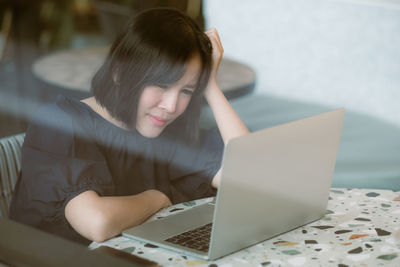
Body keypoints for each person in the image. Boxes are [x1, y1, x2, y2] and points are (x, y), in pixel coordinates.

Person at [9, 8, 249, 245]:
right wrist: (156, 199)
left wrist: (211, 87)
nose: (171, 105)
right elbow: (97, 223)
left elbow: (249, 177)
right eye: (162, 85)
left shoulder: (167, 130)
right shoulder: (60, 122)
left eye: (186, 90)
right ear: (119, 72)